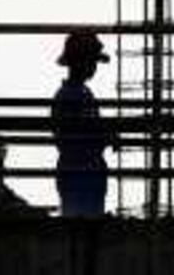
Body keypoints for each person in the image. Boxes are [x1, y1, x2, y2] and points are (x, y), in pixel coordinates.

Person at [51, 30, 115, 216]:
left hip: (84, 175)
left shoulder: (79, 93)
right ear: (80, 61)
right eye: (92, 61)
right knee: (81, 229)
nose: (94, 66)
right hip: (81, 175)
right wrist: (105, 136)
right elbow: (74, 142)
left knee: (82, 229)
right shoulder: (72, 96)